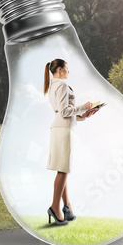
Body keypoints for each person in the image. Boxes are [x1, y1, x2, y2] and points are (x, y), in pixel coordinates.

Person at [43, 58, 99, 225]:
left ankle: (67, 207)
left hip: (61, 128)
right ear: (59, 70)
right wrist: (84, 106)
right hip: (63, 130)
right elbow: (65, 111)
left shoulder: (54, 85)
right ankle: (55, 207)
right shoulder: (61, 85)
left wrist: (84, 115)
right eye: (67, 68)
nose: (69, 71)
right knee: (63, 170)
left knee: (62, 168)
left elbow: (64, 113)